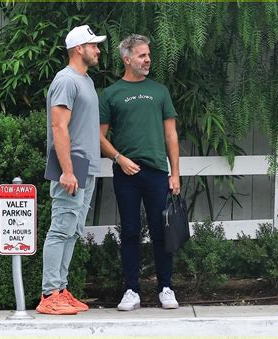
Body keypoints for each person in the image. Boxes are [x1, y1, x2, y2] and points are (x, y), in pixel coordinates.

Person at [99, 34, 180, 311]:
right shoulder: (110, 94)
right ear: (127, 59)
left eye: (148, 55)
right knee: (131, 231)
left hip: (157, 172)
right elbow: (100, 138)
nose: (147, 60)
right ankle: (131, 290)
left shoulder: (160, 91)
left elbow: (171, 135)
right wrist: (119, 158)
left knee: (161, 231)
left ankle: (166, 287)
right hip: (127, 175)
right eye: (142, 55)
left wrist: (175, 173)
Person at [36, 25, 106, 315]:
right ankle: (48, 294)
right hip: (71, 165)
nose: (98, 50)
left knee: (73, 230)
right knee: (61, 228)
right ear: (79, 48)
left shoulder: (85, 80)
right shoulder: (65, 81)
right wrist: (67, 171)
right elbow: (58, 126)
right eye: (94, 46)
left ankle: (61, 289)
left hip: (85, 166)